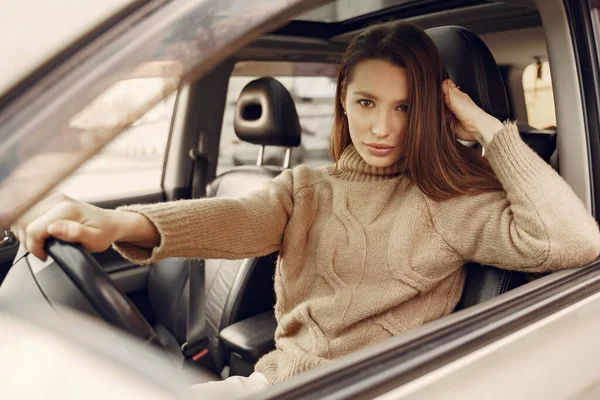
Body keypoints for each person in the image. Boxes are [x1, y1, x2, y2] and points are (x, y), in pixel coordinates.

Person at [10, 22, 600, 398]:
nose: (382, 127)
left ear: (431, 109)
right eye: (367, 102)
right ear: (344, 97)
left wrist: (486, 128)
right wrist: (119, 223)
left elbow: (577, 242)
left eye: (406, 107)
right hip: (274, 381)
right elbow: (241, 219)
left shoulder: (449, 201)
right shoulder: (305, 186)